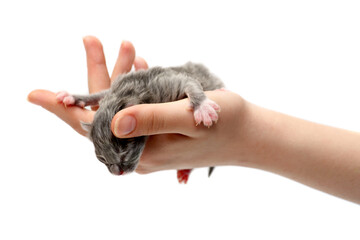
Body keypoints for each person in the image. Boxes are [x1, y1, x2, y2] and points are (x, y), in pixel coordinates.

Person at [28, 36, 360, 204]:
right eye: (105, 159)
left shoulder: (155, 89)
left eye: (116, 154)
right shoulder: (118, 94)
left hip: (200, 80)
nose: (116, 170)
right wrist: (80, 99)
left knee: (195, 88)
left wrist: (204, 105)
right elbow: (104, 100)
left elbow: (188, 85)